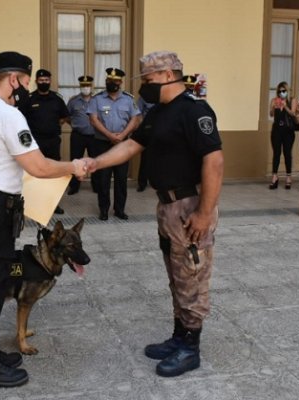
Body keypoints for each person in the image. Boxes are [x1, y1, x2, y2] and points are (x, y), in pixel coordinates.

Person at [0, 51, 87, 388]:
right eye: (25, 81)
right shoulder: (7, 115)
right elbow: (38, 166)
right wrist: (73, 167)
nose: (26, 87)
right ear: (14, 79)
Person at [83, 51, 223, 377]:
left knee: (192, 276)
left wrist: (203, 214)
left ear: (167, 75)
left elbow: (214, 162)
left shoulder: (195, 111)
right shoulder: (159, 112)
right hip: (168, 207)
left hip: (190, 206)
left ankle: (191, 347)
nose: (144, 85)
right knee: (177, 275)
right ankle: (179, 336)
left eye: (147, 79)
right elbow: (132, 145)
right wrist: (94, 163)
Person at [87, 67, 141, 220]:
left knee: (121, 179)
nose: (112, 83)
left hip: (123, 144)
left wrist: (122, 135)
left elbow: (135, 119)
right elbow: (93, 119)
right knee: (103, 179)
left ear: (120, 82)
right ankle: (103, 210)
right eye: (109, 80)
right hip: (103, 143)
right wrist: (110, 135)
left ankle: (119, 210)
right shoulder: (97, 99)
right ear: (106, 81)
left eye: (115, 81)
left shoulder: (128, 99)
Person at [20, 69, 70, 214]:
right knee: (33, 172)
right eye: (41, 80)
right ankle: (33, 204)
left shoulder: (57, 99)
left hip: (53, 142)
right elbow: (20, 119)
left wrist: (53, 126)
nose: (44, 83)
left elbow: (64, 117)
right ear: (36, 81)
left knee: (54, 173)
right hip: (34, 143)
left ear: (50, 81)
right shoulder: (29, 99)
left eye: (46, 80)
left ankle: (53, 204)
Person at [67, 75, 96, 195]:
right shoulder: (73, 101)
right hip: (78, 136)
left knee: (95, 161)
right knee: (75, 161)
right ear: (80, 86)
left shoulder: (97, 100)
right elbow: (67, 117)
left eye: (88, 85)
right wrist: (76, 125)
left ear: (91, 86)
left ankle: (97, 186)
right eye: (83, 85)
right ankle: (74, 186)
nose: (86, 88)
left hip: (95, 136)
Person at [268, 81, 299, 190]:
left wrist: (285, 106)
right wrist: (273, 108)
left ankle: (288, 177)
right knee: (276, 153)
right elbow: (271, 115)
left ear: (287, 90)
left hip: (288, 131)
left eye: (284, 91)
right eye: (280, 91)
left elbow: (293, 114)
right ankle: (274, 177)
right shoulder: (274, 100)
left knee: (287, 153)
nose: (282, 93)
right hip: (276, 130)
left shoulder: (292, 100)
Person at [135, 96, 155, 192]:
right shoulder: (144, 97)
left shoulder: (165, 95)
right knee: (145, 159)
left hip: (163, 130)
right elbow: (138, 113)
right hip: (148, 130)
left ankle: (157, 182)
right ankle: (142, 183)